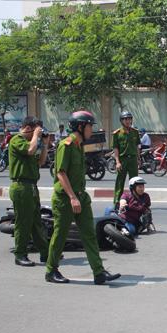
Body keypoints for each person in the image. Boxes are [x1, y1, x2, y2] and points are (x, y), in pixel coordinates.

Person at [45, 111, 120, 284]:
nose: (91, 130)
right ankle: (51, 270)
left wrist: (78, 197)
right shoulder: (67, 145)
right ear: (80, 126)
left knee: (89, 234)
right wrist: (72, 197)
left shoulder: (79, 146)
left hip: (81, 197)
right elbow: (61, 173)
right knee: (60, 235)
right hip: (65, 199)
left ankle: (99, 272)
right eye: (89, 126)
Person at [8, 117, 50, 266]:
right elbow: (31, 150)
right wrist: (35, 136)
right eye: (35, 130)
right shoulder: (16, 140)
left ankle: (45, 254)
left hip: (31, 187)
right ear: (27, 128)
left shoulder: (28, 142)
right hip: (21, 187)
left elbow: (41, 162)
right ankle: (20, 255)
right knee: (23, 222)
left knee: (37, 222)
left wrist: (44, 144)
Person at [113, 111, 140, 205]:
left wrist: (138, 159)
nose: (128, 121)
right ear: (121, 121)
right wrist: (117, 162)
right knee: (120, 181)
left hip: (133, 159)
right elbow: (115, 148)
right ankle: (116, 201)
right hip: (122, 160)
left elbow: (137, 146)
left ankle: (135, 200)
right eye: (125, 119)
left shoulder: (135, 132)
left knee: (134, 181)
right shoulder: (117, 133)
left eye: (129, 119)